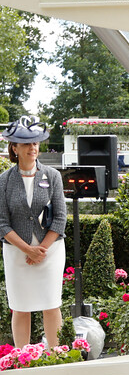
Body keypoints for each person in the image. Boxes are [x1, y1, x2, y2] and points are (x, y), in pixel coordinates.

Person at [0, 118, 66, 348]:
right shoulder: (4, 181)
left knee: (51, 303)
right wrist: (28, 249)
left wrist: (41, 250)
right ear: (14, 148)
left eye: (36, 143)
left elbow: (60, 219)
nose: (32, 148)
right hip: (17, 253)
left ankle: (56, 357)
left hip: (51, 251)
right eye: (25, 144)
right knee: (20, 306)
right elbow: (2, 224)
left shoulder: (53, 176)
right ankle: (21, 359)